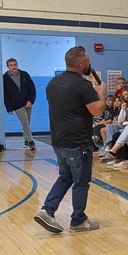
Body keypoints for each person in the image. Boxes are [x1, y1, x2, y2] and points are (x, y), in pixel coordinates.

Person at [35, 46, 105, 234]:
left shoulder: (52, 84)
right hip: (78, 142)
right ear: (82, 65)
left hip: (58, 140)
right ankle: (78, 220)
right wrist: (101, 93)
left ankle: (47, 210)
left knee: (65, 176)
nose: (91, 64)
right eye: (89, 61)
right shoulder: (83, 86)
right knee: (81, 181)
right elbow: (97, 110)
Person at [2, 58, 37, 150]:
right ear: (8, 66)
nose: (13, 67)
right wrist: (9, 107)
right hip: (16, 104)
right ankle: (30, 141)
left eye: (15, 64)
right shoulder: (5, 78)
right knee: (24, 122)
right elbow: (5, 94)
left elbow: (32, 88)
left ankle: (26, 141)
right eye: (11, 65)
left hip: (27, 102)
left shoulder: (24, 74)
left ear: (17, 65)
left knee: (28, 122)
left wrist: (31, 101)